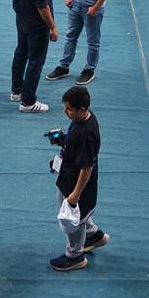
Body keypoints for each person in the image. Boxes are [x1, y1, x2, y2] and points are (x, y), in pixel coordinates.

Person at [50, 86, 104, 271]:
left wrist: (75, 194)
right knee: (73, 208)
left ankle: (74, 256)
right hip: (69, 175)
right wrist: (63, 141)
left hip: (77, 182)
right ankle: (92, 234)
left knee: (72, 216)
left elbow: (87, 168)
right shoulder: (83, 118)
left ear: (81, 109)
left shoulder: (86, 134)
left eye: (69, 109)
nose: (65, 112)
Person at [5, 0, 59, 113]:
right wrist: (52, 26)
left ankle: (16, 90)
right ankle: (28, 102)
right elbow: (42, 6)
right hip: (37, 25)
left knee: (21, 54)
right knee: (35, 61)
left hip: (21, 19)